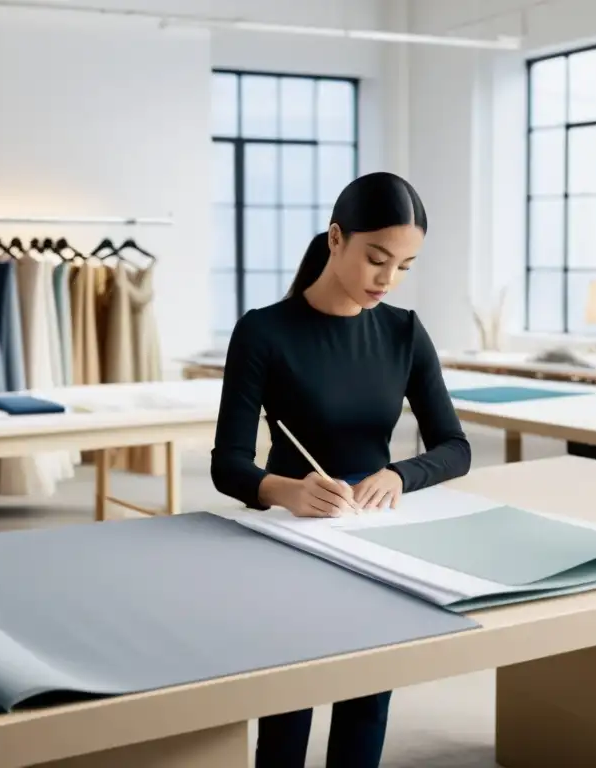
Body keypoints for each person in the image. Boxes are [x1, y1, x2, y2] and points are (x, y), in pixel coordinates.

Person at [210, 171, 472, 768]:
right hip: (292, 535)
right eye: (377, 258)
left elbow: (454, 446)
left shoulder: (404, 331)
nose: (388, 278)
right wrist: (287, 491)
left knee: (366, 704)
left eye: (405, 266)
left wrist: (400, 475)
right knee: (289, 707)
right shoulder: (263, 331)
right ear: (336, 239)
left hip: (373, 536)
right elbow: (228, 464)